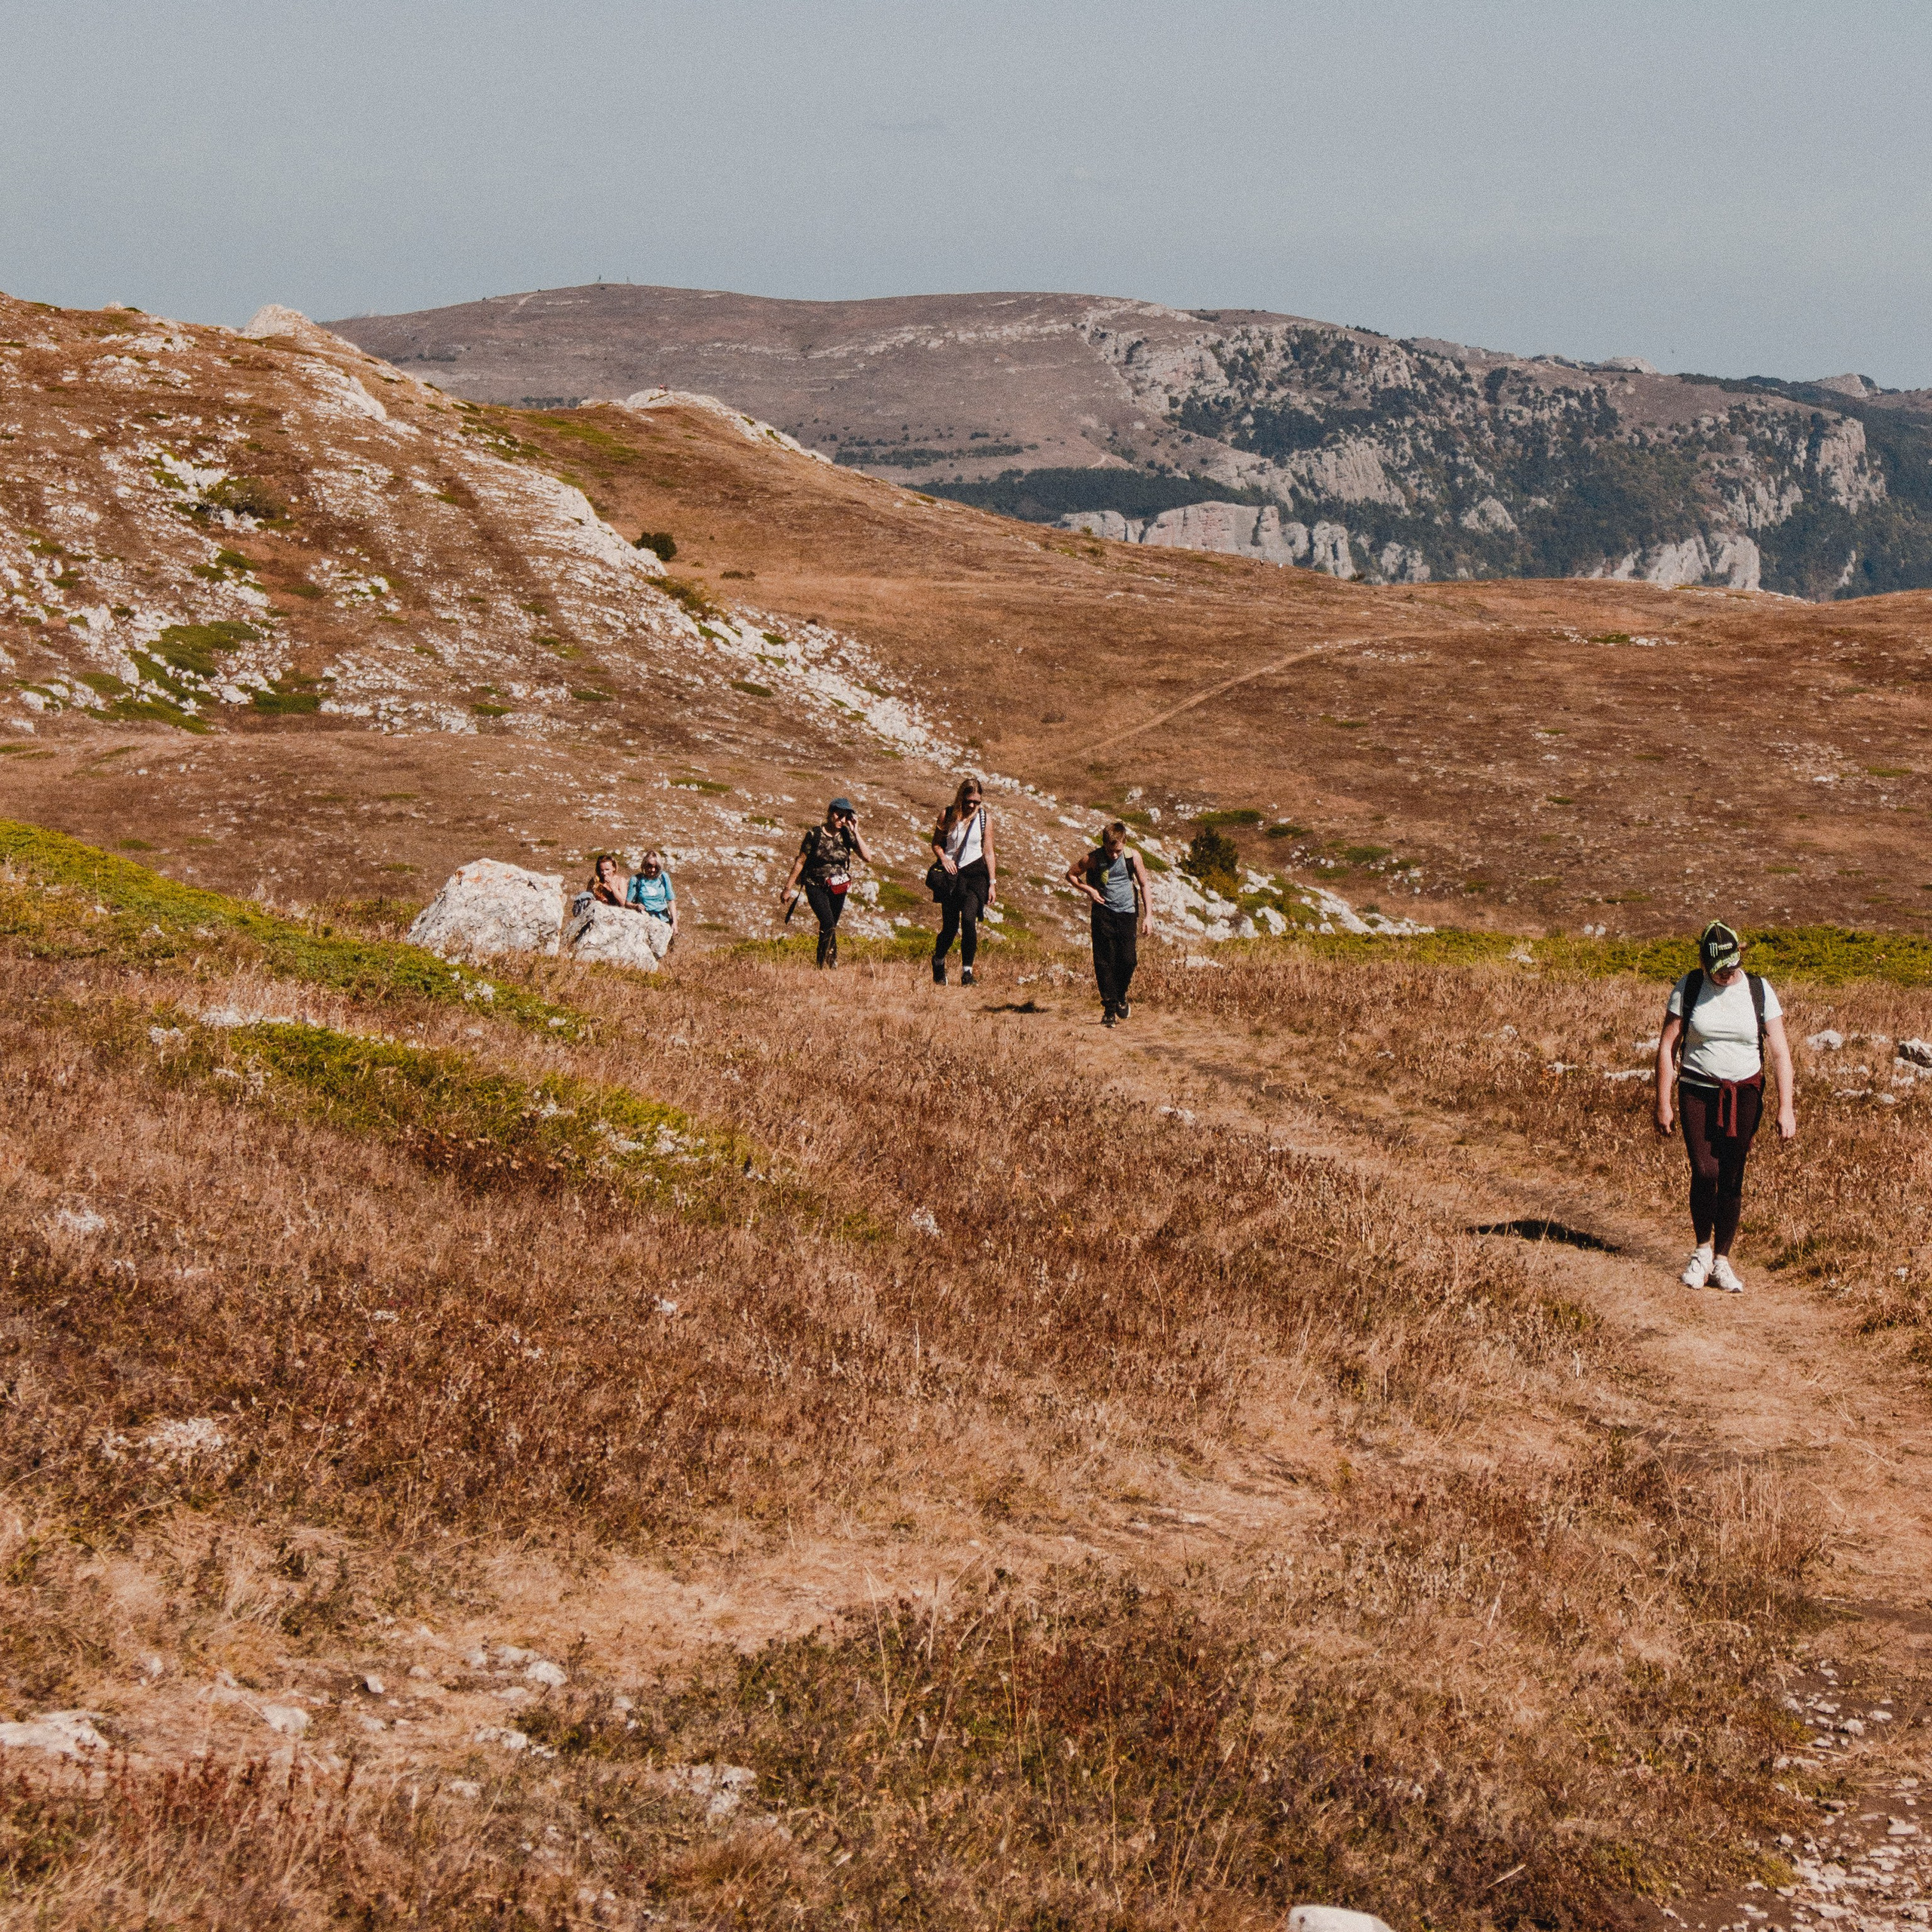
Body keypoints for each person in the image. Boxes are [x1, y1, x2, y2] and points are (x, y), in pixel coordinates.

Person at [1653, 920, 1796, 1294]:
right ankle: (1701, 1252)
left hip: (1746, 1092)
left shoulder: (1758, 990)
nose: (1727, 973)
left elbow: (1780, 1051)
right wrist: (1663, 1102)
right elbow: (1667, 1046)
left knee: (1733, 1175)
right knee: (1705, 1170)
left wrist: (1786, 1108)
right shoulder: (1690, 988)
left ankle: (1722, 1261)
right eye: (1719, 968)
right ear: (1704, 963)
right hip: (1697, 1091)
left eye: (1731, 965)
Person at [1066, 820, 1150, 1026]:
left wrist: (1149, 915)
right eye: (1110, 850)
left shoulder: (1133, 857)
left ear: (1124, 843)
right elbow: (1071, 875)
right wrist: (1091, 891)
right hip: (1103, 913)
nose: (1113, 855)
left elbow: (1144, 883)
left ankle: (1121, 995)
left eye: (1117, 851)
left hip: (1128, 913)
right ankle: (1109, 1010)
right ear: (1104, 845)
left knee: (1128, 960)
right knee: (1104, 961)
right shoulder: (1093, 858)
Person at [779, 796, 872, 968]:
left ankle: (823, 963)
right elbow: (800, 861)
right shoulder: (814, 835)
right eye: (839, 815)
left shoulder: (846, 835)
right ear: (830, 813)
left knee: (830, 926)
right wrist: (788, 888)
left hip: (838, 887)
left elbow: (867, 857)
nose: (842, 820)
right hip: (816, 886)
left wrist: (856, 831)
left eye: (846, 817)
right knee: (828, 922)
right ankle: (830, 962)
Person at [929, 776, 996, 986]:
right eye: (968, 800)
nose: (972, 805)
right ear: (961, 797)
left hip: (976, 876)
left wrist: (992, 882)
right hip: (952, 876)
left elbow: (989, 851)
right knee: (950, 927)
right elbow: (936, 844)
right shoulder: (947, 815)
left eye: (976, 802)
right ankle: (939, 961)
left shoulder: (985, 819)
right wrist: (944, 859)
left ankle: (967, 972)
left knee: (969, 920)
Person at [625, 848, 677, 949]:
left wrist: (675, 923)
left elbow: (671, 901)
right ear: (644, 865)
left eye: (656, 867)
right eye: (649, 866)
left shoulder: (664, 878)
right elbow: (627, 903)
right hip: (645, 921)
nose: (653, 870)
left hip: (663, 920)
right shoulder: (636, 880)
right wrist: (635, 906)